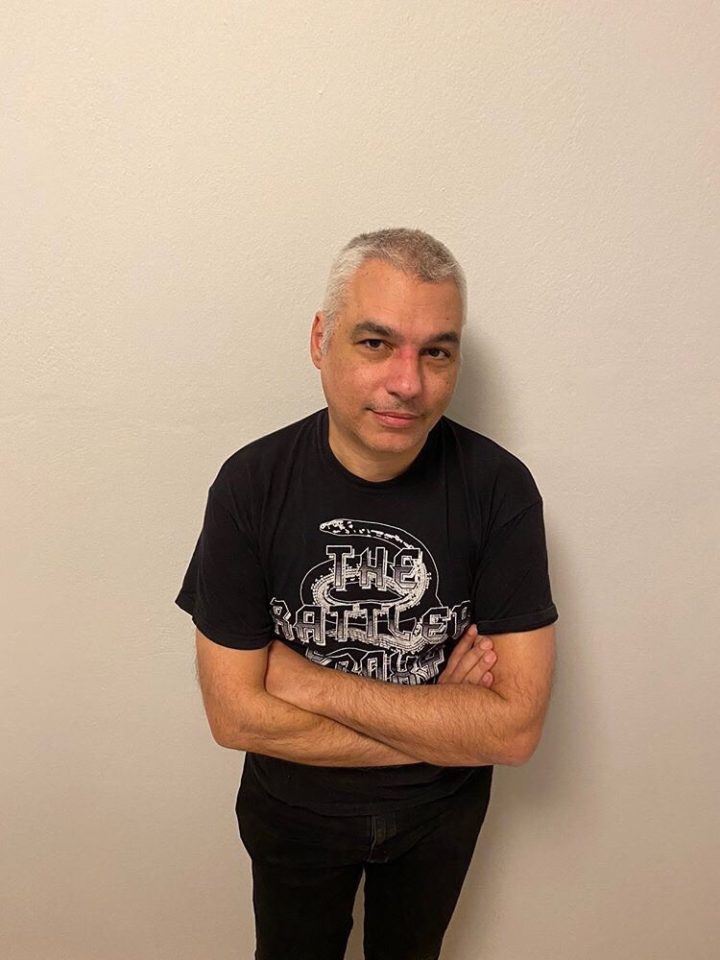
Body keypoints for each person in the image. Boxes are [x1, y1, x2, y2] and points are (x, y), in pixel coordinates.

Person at [174, 227, 558, 960]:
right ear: (321, 341)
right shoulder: (250, 486)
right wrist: (445, 726)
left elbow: (514, 732)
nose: (407, 383)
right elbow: (234, 716)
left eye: (436, 352)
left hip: (438, 821)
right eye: (376, 343)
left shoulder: (500, 490)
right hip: (292, 815)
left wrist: (304, 682)